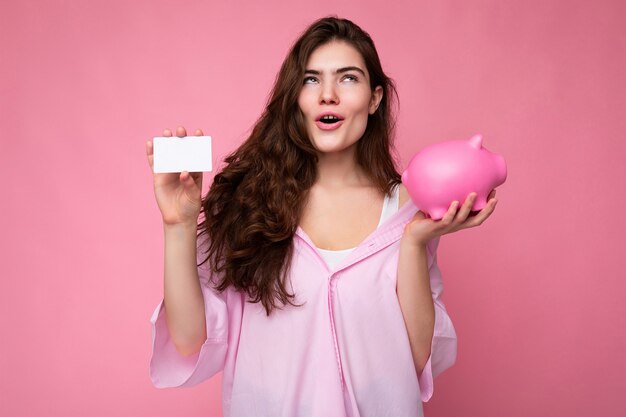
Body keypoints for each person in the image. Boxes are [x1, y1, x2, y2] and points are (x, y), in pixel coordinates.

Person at [145, 16, 497, 417]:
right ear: (296, 98)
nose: (328, 94)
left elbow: (414, 362)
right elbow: (191, 340)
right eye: (312, 80)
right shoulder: (252, 204)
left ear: (375, 98)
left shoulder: (407, 209)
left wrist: (414, 244)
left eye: (348, 78)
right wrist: (178, 225)